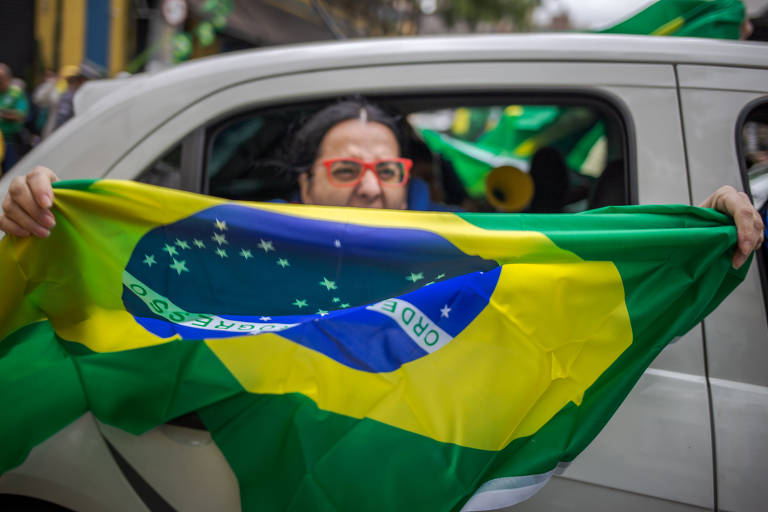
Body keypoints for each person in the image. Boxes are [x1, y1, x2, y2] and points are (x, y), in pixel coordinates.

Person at [0, 100, 764, 269]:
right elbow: (128, 251)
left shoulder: (464, 248)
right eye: (345, 171)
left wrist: (696, 227)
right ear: (302, 186)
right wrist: (37, 209)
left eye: (387, 171)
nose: (370, 190)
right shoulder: (242, 250)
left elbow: (581, 260)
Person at [0, 63, 29, 171]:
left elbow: (20, 115)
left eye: (1, 78)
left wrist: (3, 113)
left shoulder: (15, 93)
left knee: (10, 171)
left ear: (8, 78)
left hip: (10, 141)